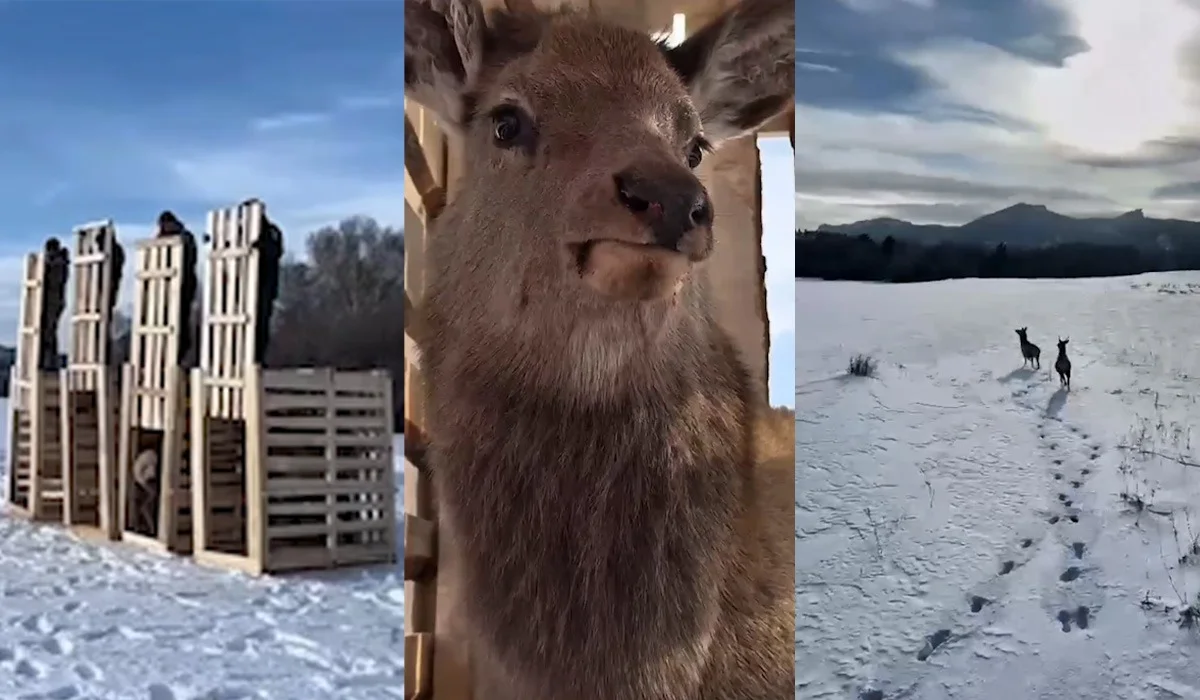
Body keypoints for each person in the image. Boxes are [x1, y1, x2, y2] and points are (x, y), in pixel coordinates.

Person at [156, 211, 199, 365]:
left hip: (183, 285)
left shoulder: (184, 238)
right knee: (163, 321)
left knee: (180, 321)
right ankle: (166, 357)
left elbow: (189, 260)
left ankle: (180, 355)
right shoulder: (160, 239)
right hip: (164, 288)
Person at [249, 204, 283, 365]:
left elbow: (275, 252)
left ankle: (258, 358)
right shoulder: (241, 232)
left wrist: (261, 247)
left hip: (264, 286)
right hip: (243, 288)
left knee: (260, 323)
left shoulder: (272, 232)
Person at [39, 238, 70, 371]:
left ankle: (48, 363)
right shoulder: (60, 264)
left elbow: (52, 281)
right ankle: (49, 362)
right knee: (49, 332)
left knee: (48, 333)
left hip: (52, 302)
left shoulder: (57, 265)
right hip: (54, 302)